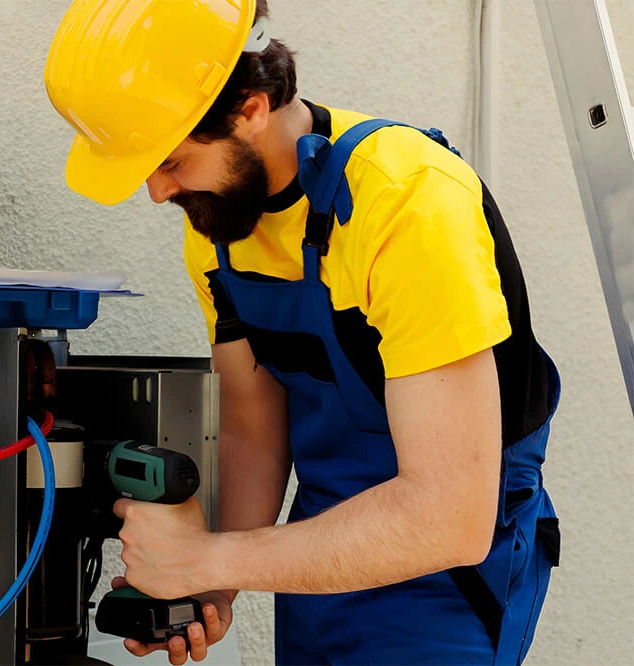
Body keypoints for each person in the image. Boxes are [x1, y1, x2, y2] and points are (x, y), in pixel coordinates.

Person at [44, 1, 561, 664]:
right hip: (322, 560)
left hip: (450, 584)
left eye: (171, 160)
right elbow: (254, 427)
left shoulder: (408, 204)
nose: (156, 190)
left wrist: (211, 554)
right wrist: (212, 588)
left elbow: (447, 516)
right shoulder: (220, 228)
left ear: (250, 107)